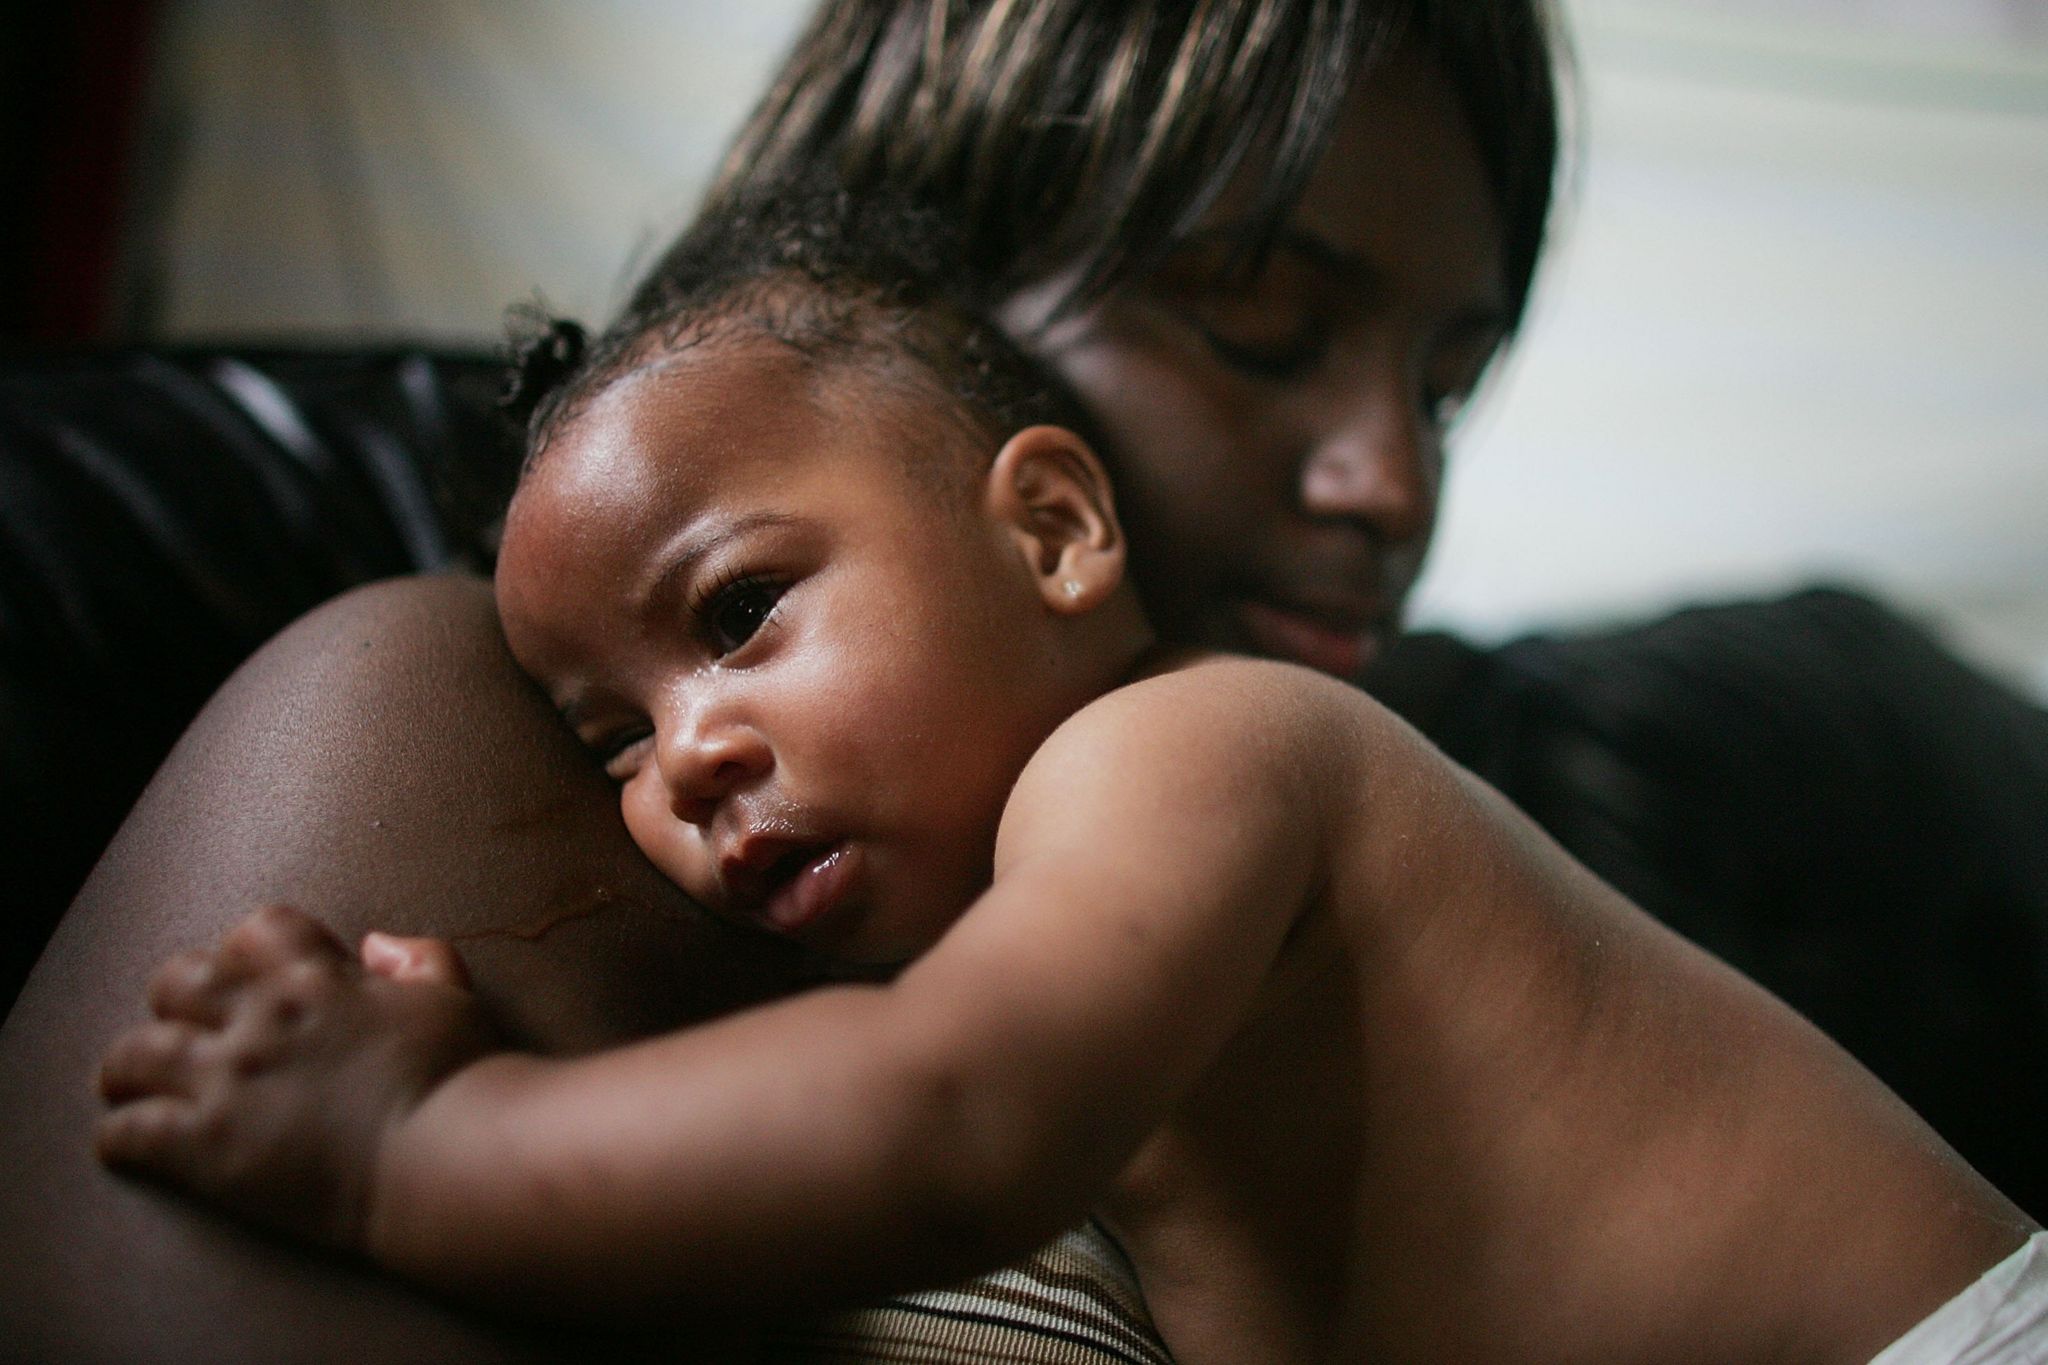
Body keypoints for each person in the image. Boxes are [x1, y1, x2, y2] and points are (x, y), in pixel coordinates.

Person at [6, 0, 2044, 1359]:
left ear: (1051, 524)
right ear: (939, 291)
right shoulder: (440, 704)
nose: (1395, 485)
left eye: (1445, 379)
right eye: (1258, 324)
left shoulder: (1196, 754)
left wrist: (408, 1148)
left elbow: (953, 1118)